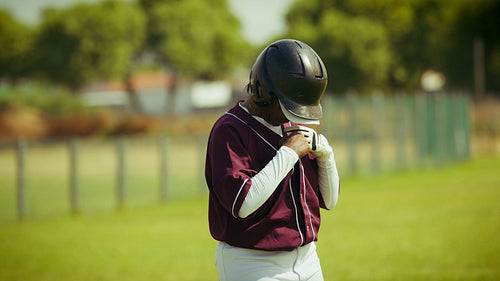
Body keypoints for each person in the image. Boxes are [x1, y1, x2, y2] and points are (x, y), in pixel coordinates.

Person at [205, 39, 340, 281]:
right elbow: (243, 204)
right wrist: (288, 154)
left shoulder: (292, 127)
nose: (294, 115)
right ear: (261, 92)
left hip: (308, 258)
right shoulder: (228, 130)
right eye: (288, 106)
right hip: (254, 264)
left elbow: (329, 201)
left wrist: (326, 155)